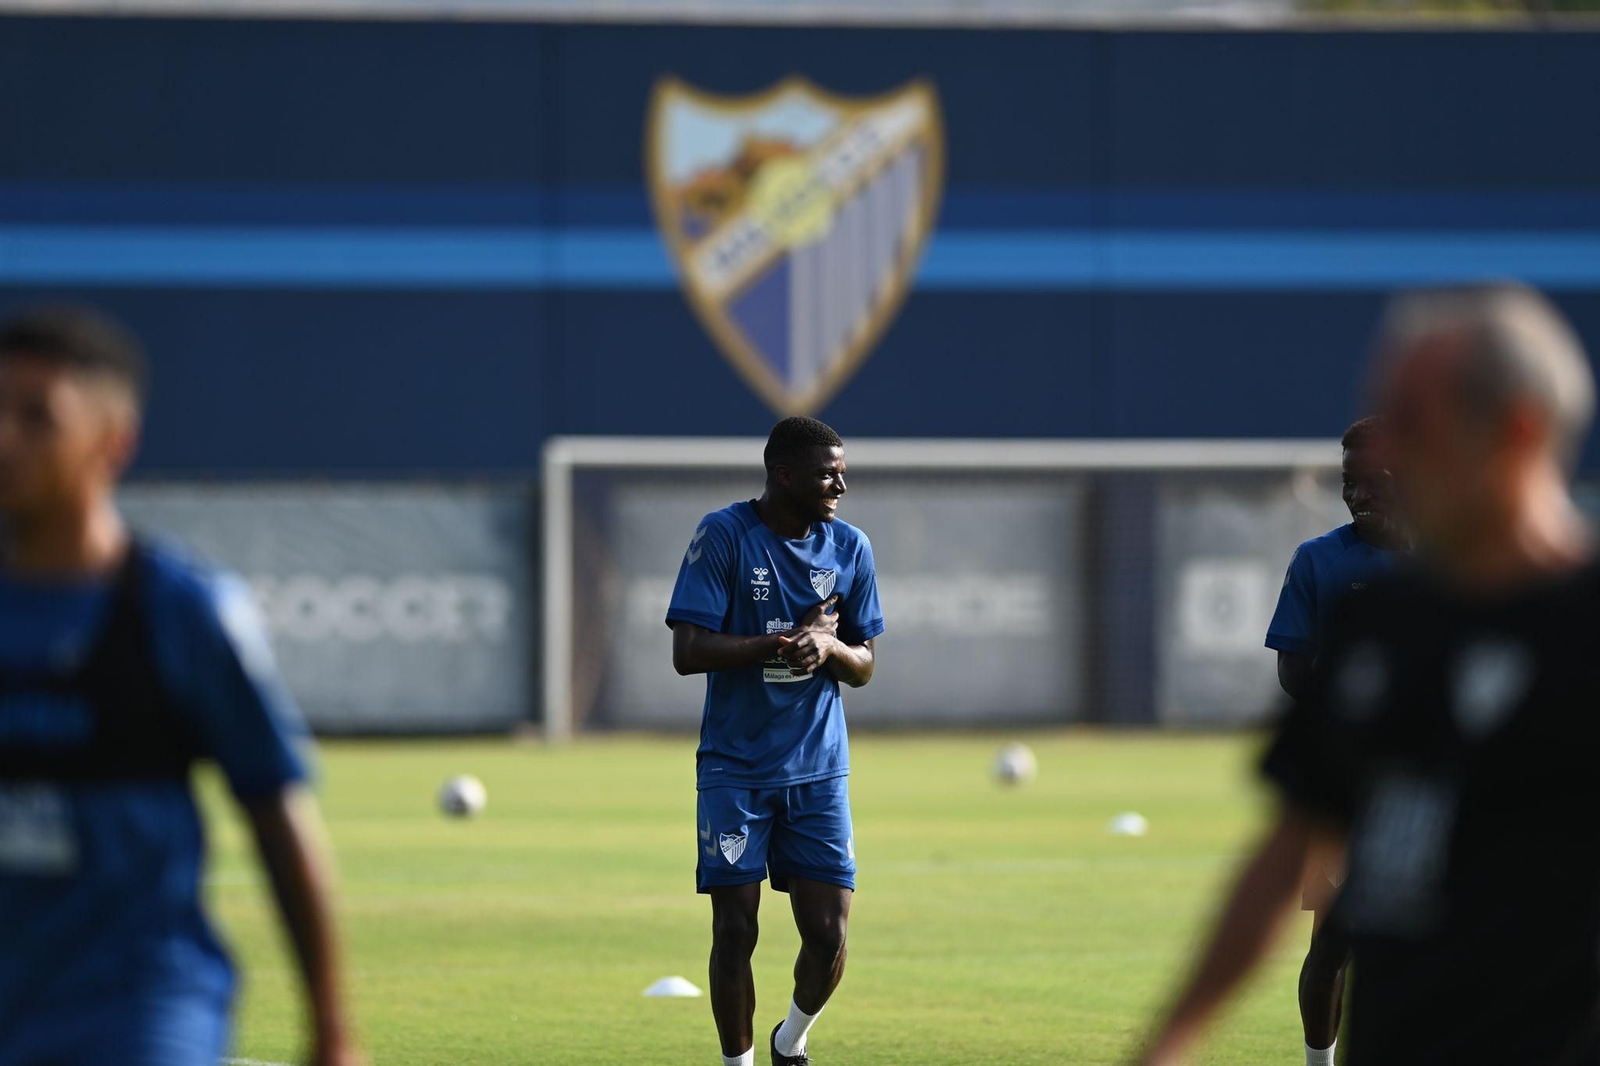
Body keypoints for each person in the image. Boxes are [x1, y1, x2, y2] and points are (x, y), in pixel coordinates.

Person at [1137, 282, 1600, 1066]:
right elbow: (1285, 852)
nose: (1385, 456)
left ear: (1517, 430)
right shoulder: (1380, 621)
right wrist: (1168, 1043)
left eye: (1413, 422)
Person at [0, 307, 362, 1066]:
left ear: (112, 441)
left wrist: (330, 1030)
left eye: (36, 418)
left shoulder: (177, 610)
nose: (6, 439)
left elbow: (275, 816)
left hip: (137, 1013)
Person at [666, 416, 884, 1066]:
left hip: (817, 770)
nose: (839, 485)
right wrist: (784, 640)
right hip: (736, 768)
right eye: (827, 474)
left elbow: (866, 663)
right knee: (735, 929)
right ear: (783, 474)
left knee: (827, 936)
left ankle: (791, 1040)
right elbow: (687, 652)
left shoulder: (850, 548)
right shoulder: (725, 535)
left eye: (842, 472)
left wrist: (833, 646)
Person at [1265, 415, 1408, 1066]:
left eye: (1372, 482)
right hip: (1349, 785)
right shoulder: (1319, 560)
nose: (1357, 496)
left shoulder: (1456, 556)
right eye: (1349, 484)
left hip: (1437, 784)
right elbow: (1292, 668)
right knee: (1333, 942)